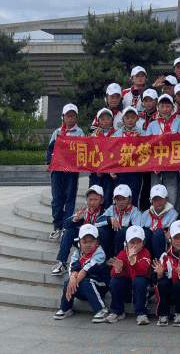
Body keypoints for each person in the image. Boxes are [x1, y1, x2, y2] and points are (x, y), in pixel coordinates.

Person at [53, 224, 110, 322]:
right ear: (79, 242)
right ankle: (66, 309)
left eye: (91, 241)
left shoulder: (100, 253)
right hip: (82, 285)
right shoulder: (77, 253)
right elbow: (73, 268)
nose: (88, 245)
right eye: (84, 241)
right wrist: (72, 279)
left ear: (97, 241)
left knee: (85, 281)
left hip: (100, 286)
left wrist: (73, 282)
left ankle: (102, 309)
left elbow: (86, 270)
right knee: (68, 282)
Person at [46, 104, 84, 241]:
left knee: (69, 199)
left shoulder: (79, 132)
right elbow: (50, 149)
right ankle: (57, 226)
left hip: (71, 172)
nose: (70, 118)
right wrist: (48, 163)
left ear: (76, 117)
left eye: (72, 116)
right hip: (57, 171)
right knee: (57, 199)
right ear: (63, 117)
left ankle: (67, 226)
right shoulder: (57, 132)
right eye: (67, 116)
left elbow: (82, 149)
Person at [52, 184, 105, 276]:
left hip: (97, 243)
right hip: (83, 241)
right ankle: (62, 263)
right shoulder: (84, 212)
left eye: (95, 200)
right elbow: (65, 224)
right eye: (90, 200)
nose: (92, 203)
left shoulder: (104, 213)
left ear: (101, 200)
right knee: (68, 231)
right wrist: (76, 219)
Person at [106, 225, 152, 325]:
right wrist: (118, 269)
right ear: (126, 243)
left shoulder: (146, 253)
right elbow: (113, 274)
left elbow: (143, 272)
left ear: (143, 243)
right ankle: (116, 311)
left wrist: (133, 261)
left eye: (138, 242)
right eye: (132, 242)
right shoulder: (122, 254)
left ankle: (141, 313)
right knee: (115, 281)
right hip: (127, 289)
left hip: (141, 288)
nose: (135, 246)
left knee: (139, 281)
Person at [146, 94, 180, 212]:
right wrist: (153, 163)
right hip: (156, 164)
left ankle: (172, 216)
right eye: (162, 106)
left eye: (168, 106)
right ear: (158, 107)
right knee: (155, 191)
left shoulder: (178, 123)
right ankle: (156, 216)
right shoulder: (152, 125)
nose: (165, 109)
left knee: (172, 191)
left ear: (172, 107)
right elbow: (147, 145)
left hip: (173, 163)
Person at [94, 184, 140, 259]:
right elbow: (97, 222)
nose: (120, 202)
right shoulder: (112, 208)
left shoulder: (135, 212)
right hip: (111, 240)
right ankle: (107, 258)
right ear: (114, 199)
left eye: (123, 199)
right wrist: (110, 219)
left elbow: (136, 231)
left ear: (129, 199)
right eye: (118, 199)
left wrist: (124, 230)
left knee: (121, 231)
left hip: (126, 242)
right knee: (101, 230)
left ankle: (119, 259)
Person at [140, 184, 178, 261]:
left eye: (161, 199)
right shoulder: (146, 214)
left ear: (166, 199)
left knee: (158, 233)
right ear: (151, 200)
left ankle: (160, 261)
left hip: (164, 244)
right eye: (155, 199)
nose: (158, 202)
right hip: (149, 242)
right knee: (145, 233)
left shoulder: (173, 214)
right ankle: (146, 260)